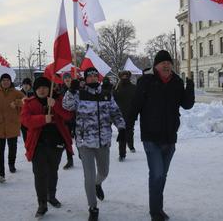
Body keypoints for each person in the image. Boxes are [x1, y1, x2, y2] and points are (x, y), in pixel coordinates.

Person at [129, 50, 195, 221]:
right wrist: (126, 130)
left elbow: (187, 105)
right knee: (157, 174)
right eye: (162, 63)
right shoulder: (146, 82)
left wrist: (190, 86)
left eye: (169, 62)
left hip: (170, 137)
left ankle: (158, 207)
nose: (166, 65)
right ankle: (155, 212)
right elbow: (135, 106)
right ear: (156, 66)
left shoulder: (177, 82)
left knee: (162, 176)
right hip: (151, 137)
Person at [62, 67, 125, 221]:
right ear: (85, 78)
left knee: (104, 172)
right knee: (88, 176)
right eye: (89, 76)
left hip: (103, 140)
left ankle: (98, 184)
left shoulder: (106, 94)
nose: (92, 78)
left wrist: (122, 127)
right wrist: (71, 90)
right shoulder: (79, 94)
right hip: (85, 141)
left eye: (94, 75)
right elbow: (67, 106)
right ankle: (93, 207)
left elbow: (115, 112)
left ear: (98, 77)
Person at [21, 76, 74, 217]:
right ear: (35, 89)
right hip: (38, 144)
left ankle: (52, 196)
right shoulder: (29, 103)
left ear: (49, 88)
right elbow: (25, 121)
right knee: (39, 174)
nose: (42, 90)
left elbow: (68, 116)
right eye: (38, 88)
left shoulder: (59, 99)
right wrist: (43, 119)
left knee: (53, 171)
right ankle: (42, 203)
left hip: (56, 143)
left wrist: (55, 105)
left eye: (44, 87)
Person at [0, 73, 24, 182]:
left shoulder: (17, 93)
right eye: (3, 80)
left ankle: (11, 164)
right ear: (0, 82)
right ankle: (0, 173)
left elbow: (27, 103)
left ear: (10, 81)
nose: (5, 82)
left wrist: (17, 102)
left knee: (12, 147)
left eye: (7, 80)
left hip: (13, 124)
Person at [113, 70, 137, 161]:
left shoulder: (133, 87)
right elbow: (112, 100)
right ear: (120, 77)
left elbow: (136, 101)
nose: (124, 77)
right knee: (122, 132)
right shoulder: (116, 87)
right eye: (123, 75)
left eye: (126, 75)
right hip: (120, 114)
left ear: (129, 76)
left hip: (130, 113)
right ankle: (122, 154)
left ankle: (131, 145)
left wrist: (135, 111)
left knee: (130, 131)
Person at [60, 72, 75, 169]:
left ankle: (82, 154)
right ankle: (70, 160)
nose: (67, 79)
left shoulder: (76, 88)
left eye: (68, 77)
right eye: (65, 78)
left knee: (79, 138)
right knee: (67, 140)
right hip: (66, 118)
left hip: (77, 117)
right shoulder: (61, 89)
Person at [20, 78, 34, 143]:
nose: (25, 86)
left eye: (27, 84)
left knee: (33, 138)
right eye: (24, 84)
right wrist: (20, 102)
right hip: (23, 120)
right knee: (26, 139)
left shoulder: (34, 93)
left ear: (30, 85)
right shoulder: (19, 94)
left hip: (32, 118)